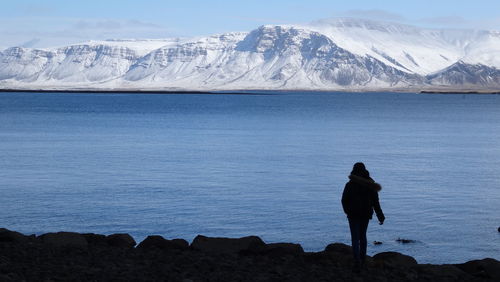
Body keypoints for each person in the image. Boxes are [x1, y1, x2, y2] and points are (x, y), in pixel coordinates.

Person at [341, 162, 385, 272]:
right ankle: (363, 259)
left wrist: (347, 211)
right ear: (365, 171)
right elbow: (376, 202)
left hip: (353, 214)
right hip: (365, 214)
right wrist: (380, 216)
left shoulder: (350, 184)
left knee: (355, 238)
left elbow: (344, 200)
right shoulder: (371, 185)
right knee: (362, 236)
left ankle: (357, 261)